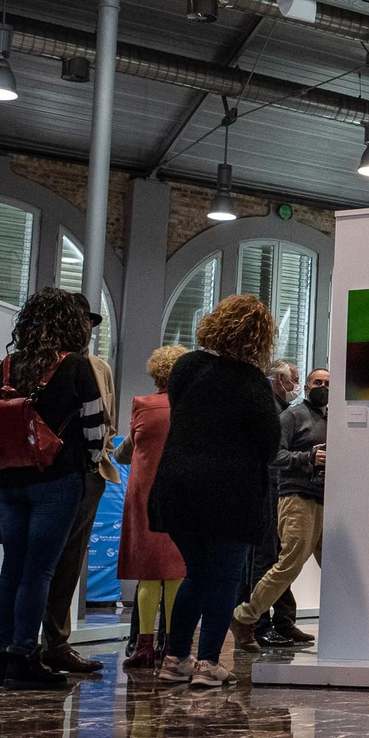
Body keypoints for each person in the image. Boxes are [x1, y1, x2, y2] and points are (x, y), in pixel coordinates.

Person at [149, 295, 282, 689]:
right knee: (223, 578)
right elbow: (269, 442)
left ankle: (174, 659)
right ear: (259, 339)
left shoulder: (186, 367)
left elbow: (184, 413)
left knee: (195, 574)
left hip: (177, 486)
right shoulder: (252, 382)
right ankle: (208, 663)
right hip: (229, 493)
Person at [0, 287, 107, 690]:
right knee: (40, 571)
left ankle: (0, 657)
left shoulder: (8, 366)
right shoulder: (75, 365)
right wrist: (88, 463)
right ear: (70, 323)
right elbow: (95, 427)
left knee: (11, 569)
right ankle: (24, 656)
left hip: (10, 480)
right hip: (57, 480)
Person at [38, 292, 118, 676]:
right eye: (80, 320)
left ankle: (54, 642)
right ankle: (26, 643)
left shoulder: (99, 367)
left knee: (69, 561)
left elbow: (107, 422)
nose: (85, 328)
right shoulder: (40, 365)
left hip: (86, 475)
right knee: (37, 562)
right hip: (52, 473)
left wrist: (92, 462)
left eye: (89, 322)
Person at [232, 368, 331, 650]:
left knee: (336, 568)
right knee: (289, 563)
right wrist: (308, 458)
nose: (322, 387)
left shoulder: (332, 419)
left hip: (328, 502)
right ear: (308, 387)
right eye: (317, 382)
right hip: (297, 498)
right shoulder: (292, 416)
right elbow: (273, 456)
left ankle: (347, 627)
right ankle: (245, 616)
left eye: (327, 383)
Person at [115, 345, 189, 669]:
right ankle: (171, 647)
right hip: (178, 493)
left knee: (147, 574)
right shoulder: (191, 407)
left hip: (143, 492)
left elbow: (130, 447)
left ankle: (142, 647)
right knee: (173, 574)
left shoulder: (141, 405)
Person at [239, 358, 304, 650]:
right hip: (268, 486)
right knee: (266, 558)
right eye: (294, 380)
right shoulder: (273, 411)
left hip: (273, 486)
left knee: (280, 555)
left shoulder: (280, 409)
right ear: (279, 381)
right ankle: (259, 625)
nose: (296, 386)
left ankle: (283, 622)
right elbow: (272, 454)